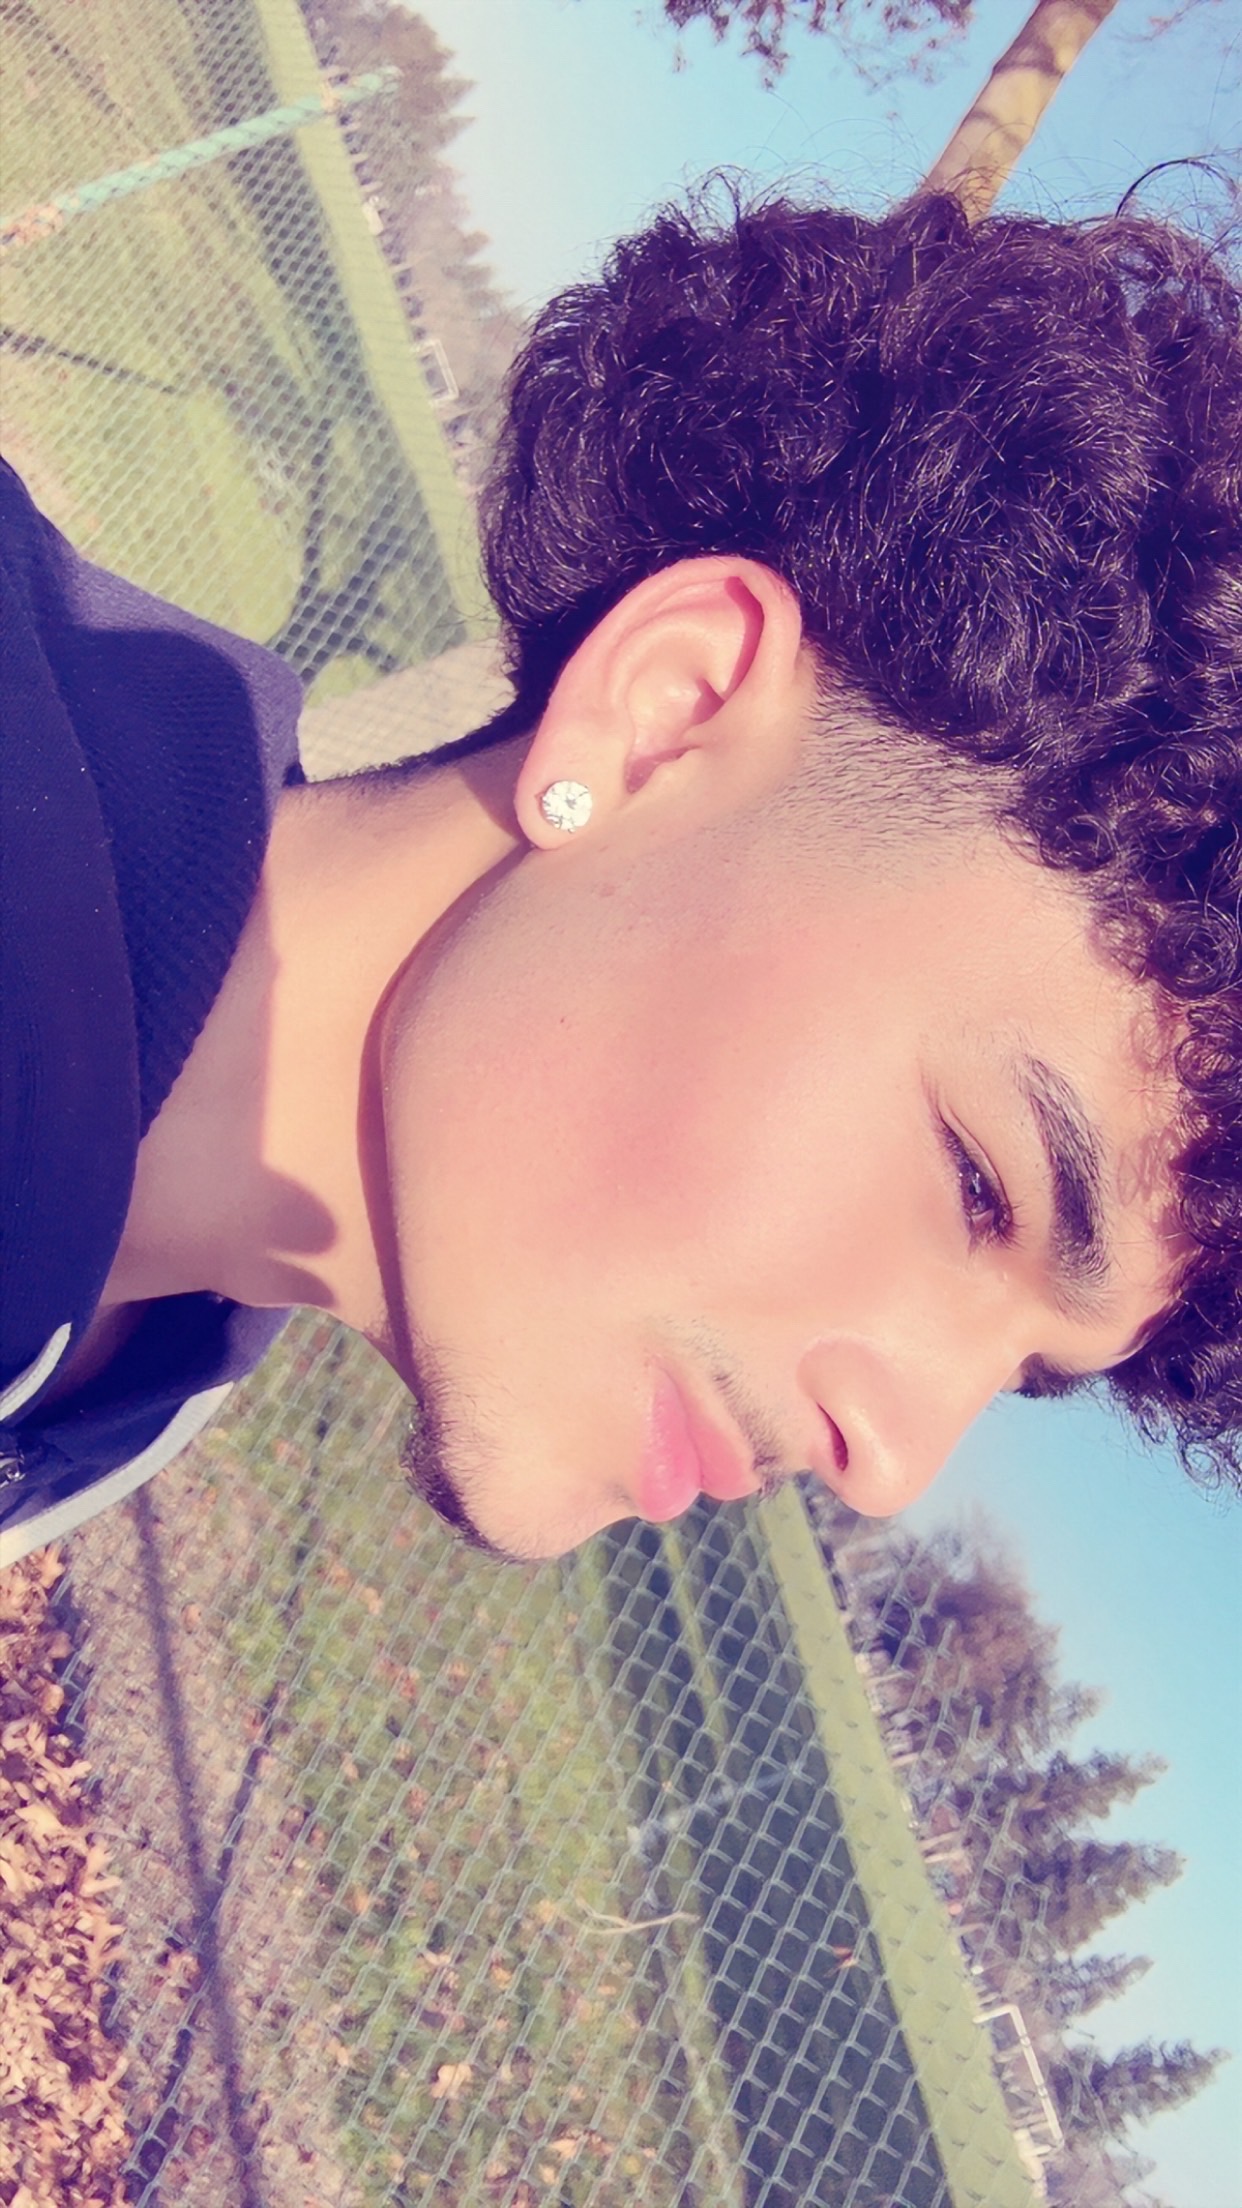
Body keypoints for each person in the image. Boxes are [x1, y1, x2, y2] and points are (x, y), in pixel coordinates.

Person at [2, 186, 1240, 1567]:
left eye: (1021, 1372)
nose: (891, 1465)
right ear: (665, 713)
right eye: (978, 1185)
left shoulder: (131, 1374)